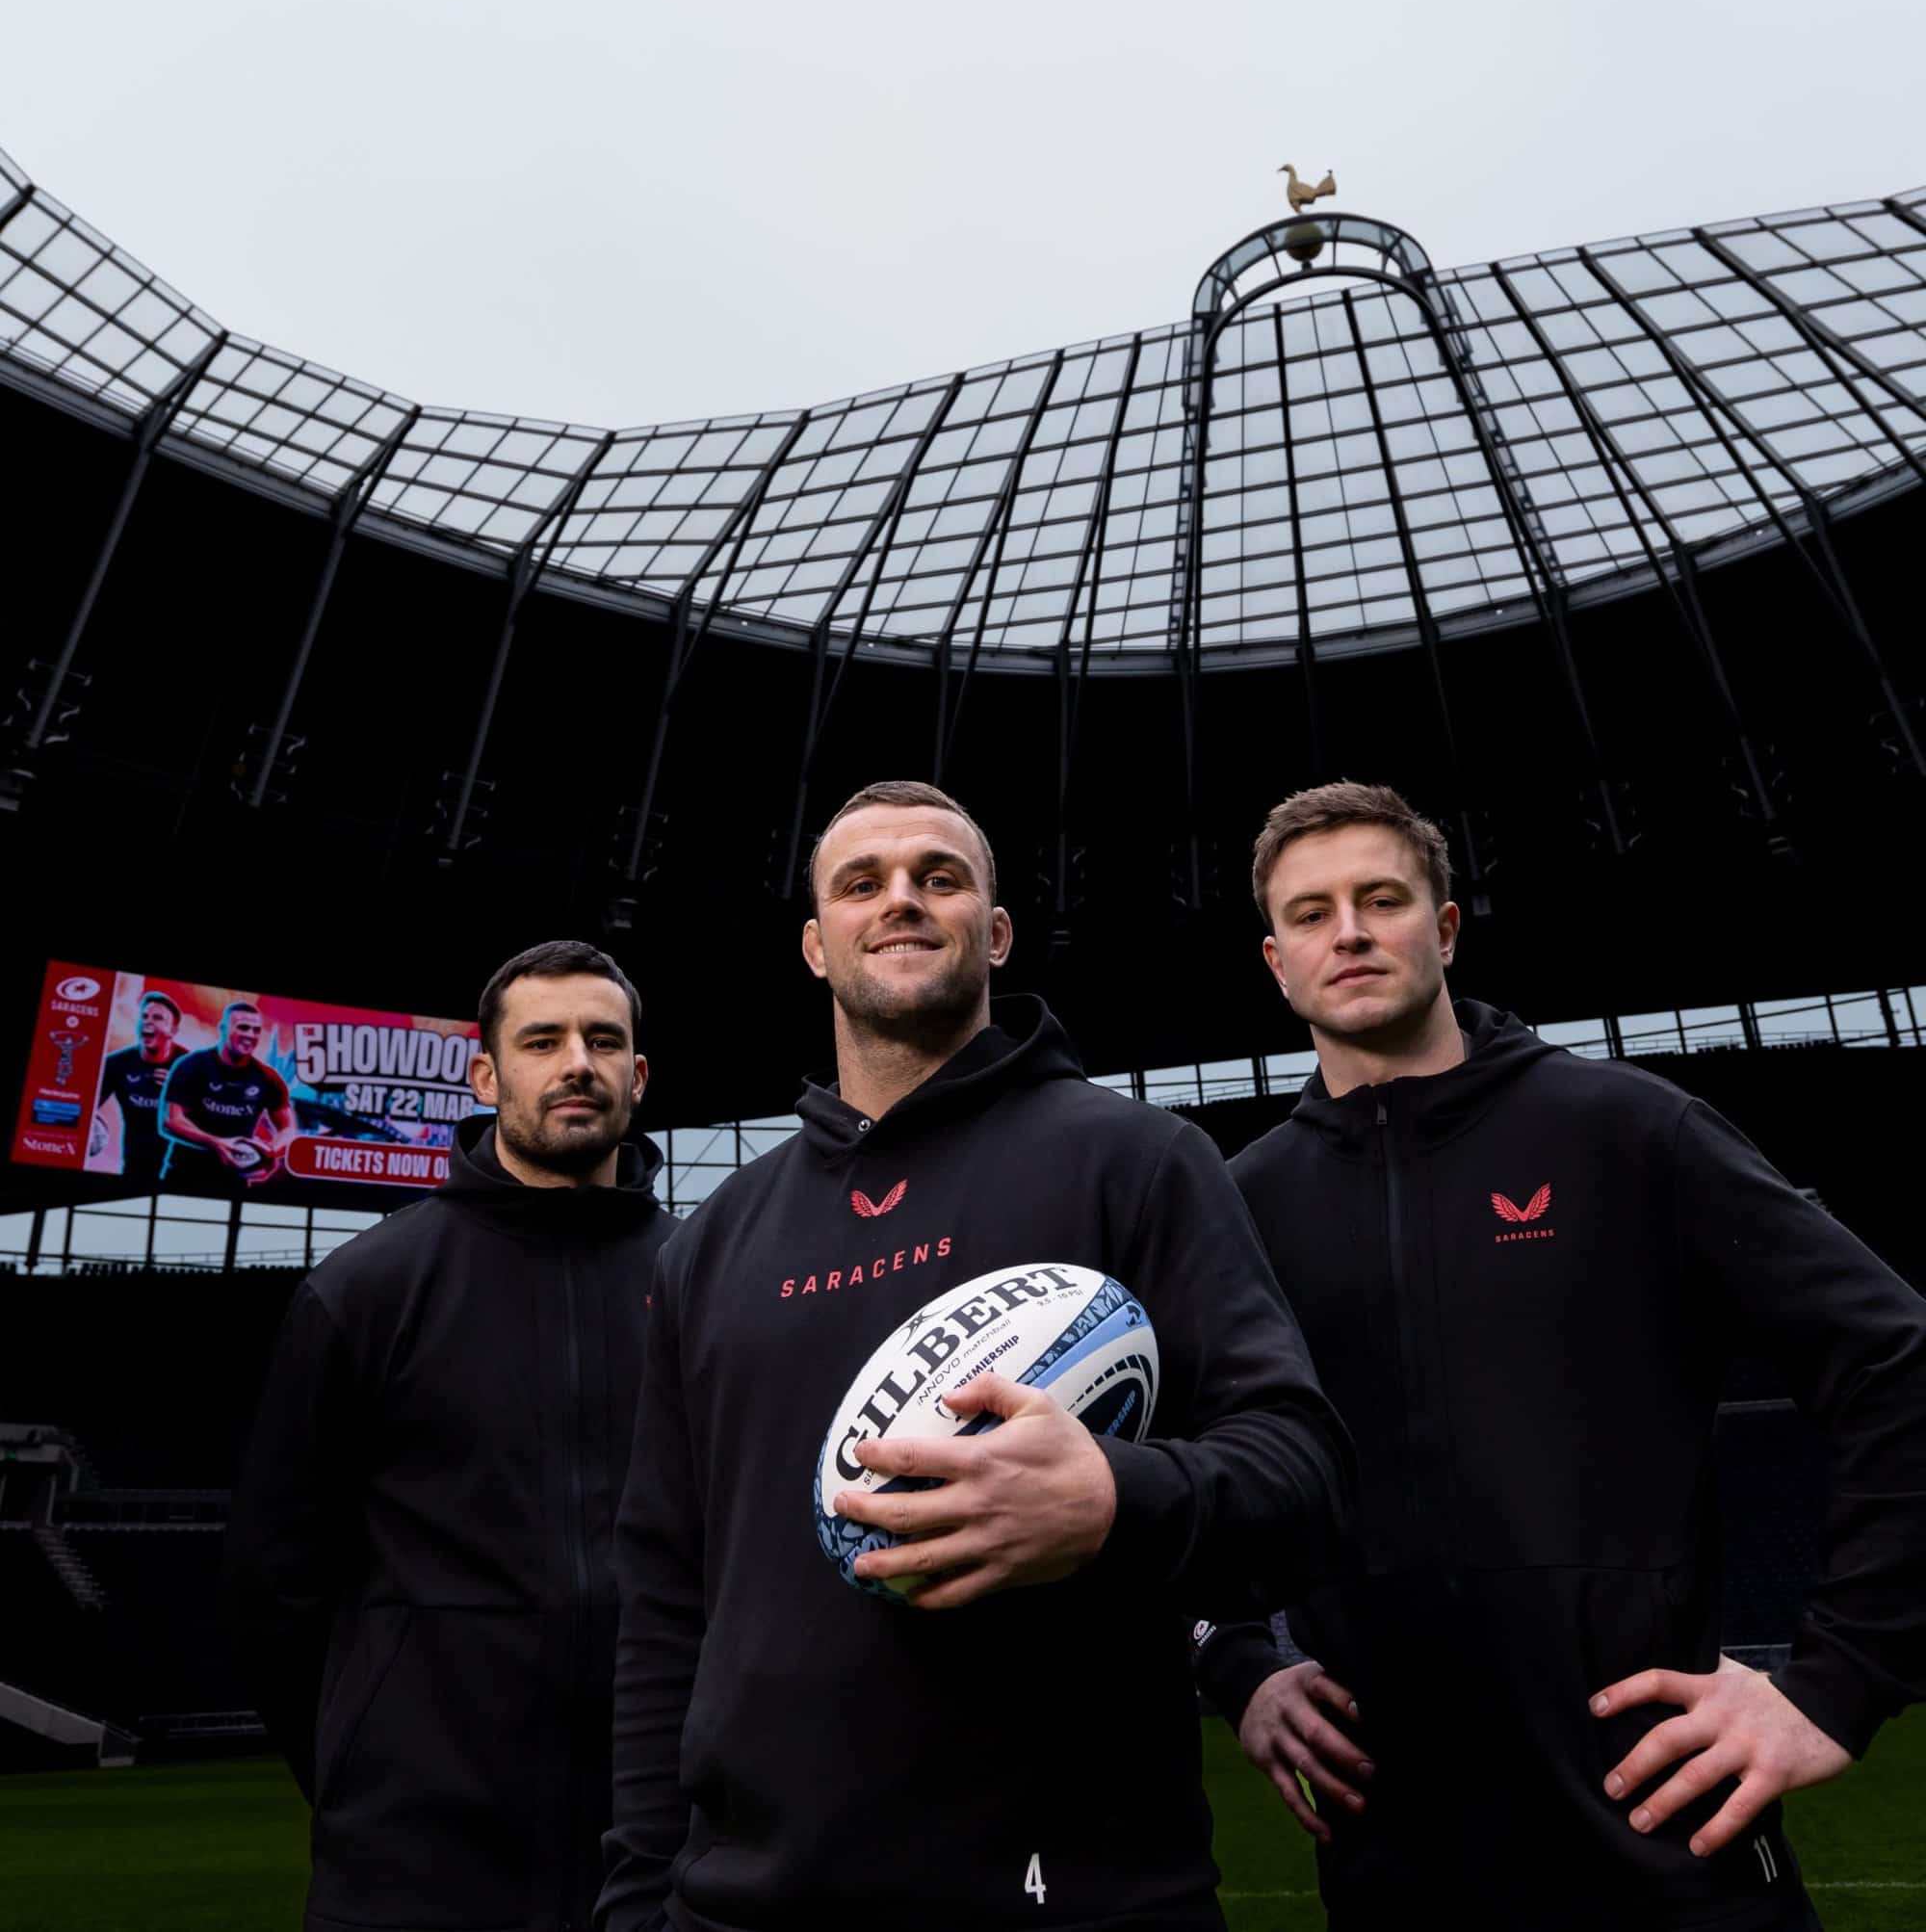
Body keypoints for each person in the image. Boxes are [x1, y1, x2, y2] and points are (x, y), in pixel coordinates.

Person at [599, 777, 1353, 1932]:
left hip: (1075, 1900)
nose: (900, 899)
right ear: (815, 944)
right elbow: (663, 1599)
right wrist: (642, 1897)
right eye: (863, 882)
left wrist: (1111, 1497)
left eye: (937, 877)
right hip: (744, 1907)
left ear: (994, 933)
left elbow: (1301, 1481)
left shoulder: (1136, 1159)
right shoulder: (712, 1243)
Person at [1195, 780, 1926, 1931]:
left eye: (1380, 898)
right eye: (1310, 911)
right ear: (1275, 961)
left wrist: (1834, 1682)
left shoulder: (1628, 1128)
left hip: (1666, 1845)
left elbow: (1895, 1359)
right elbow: (1155, 1466)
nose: (1348, 929)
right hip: (1390, 1865)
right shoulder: (1237, 1205)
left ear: (1441, 928)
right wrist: (1234, 1662)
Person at [226, 939, 673, 1932]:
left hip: (662, 1858)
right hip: (414, 1864)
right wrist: (371, 1765)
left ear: (636, 1076)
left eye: (604, 1040)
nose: (576, 1064)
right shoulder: (363, 1289)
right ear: (486, 1074)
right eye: (542, 1039)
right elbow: (272, 1586)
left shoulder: (707, 1286)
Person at [157, 997, 297, 1193]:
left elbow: (288, 1128)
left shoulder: (267, 1077)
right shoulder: (192, 1065)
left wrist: (271, 1151)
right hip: (183, 1176)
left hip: (234, 1181)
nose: (250, 1035)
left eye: (256, 1030)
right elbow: (170, 1122)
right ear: (222, 1029)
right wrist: (216, 1143)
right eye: (243, 1027)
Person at [87, 988, 187, 1176]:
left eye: (157, 1018)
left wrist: (176, 1091)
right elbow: (87, 1109)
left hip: (179, 1168)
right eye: (145, 1016)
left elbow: (210, 1118)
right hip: (135, 1165)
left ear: (173, 1030)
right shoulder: (116, 1064)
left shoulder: (188, 1065)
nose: (148, 1021)